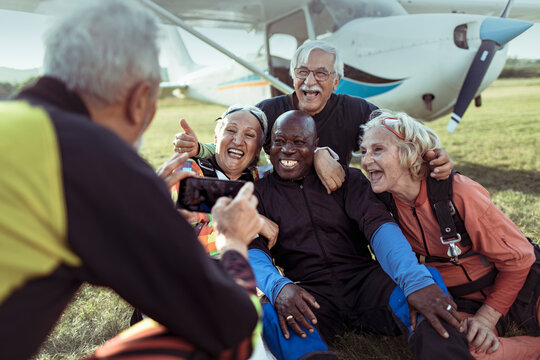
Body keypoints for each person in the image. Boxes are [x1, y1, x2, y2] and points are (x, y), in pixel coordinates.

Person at [0, 1, 264, 359]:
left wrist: (149, 208)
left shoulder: (18, 123)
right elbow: (231, 320)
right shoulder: (95, 159)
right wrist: (232, 241)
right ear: (141, 99)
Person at [249, 110, 473, 360]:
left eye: (299, 142)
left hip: (366, 282)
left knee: (425, 279)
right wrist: (278, 287)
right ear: (269, 147)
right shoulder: (258, 194)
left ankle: (445, 353)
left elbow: (378, 227)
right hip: (311, 293)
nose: (287, 150)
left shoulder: (349, 179)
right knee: (269, 312)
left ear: (315, 145)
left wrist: (414, 281)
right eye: (280, 141)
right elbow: (253, 249)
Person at [359, 110, 540, 359]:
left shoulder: (459, 192)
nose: (366, 161)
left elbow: (520, 259)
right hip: (464, 301)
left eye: (378, 149)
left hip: (523, 284)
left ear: (410, 154)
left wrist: (488, 316)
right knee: (458, 347)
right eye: (363, 151)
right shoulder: (382, 204)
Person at [173, 39, 453, 193]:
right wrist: (201, 149)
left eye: (321, 73)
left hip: (334, 198)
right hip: (281, 201)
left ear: (336, 81)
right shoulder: (269, 110)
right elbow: (237, 146)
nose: (310, 82)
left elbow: (395, 129)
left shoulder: (356, 109)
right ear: (293, 76)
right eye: (302, 72)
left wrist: (432, 153)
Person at [171, 105, 277, 257]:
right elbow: (186, 241)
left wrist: (320, 154)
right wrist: (252, 223)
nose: (238, 141)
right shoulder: (191, 170)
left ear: (258, 150)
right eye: (231, 130)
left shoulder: (259, 178)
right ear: (216, 138)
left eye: (249, 135)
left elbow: (295, 163)